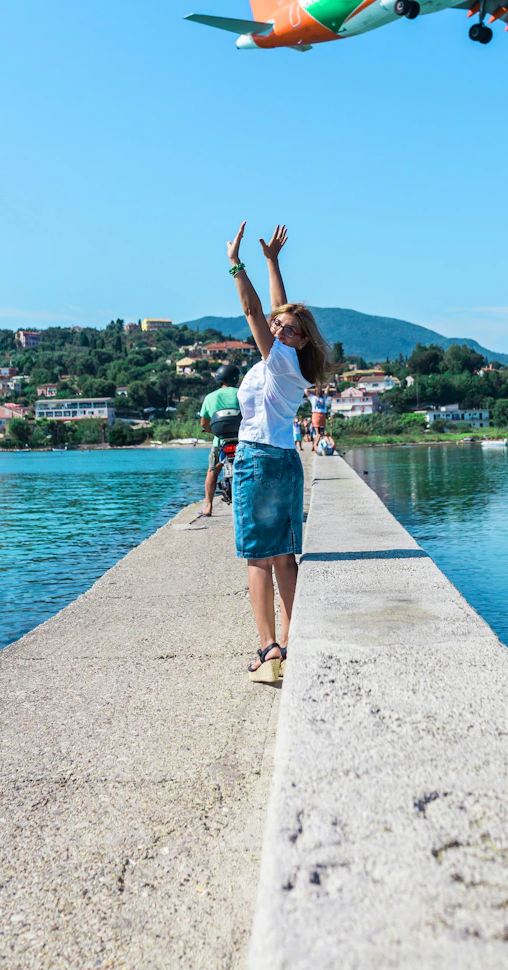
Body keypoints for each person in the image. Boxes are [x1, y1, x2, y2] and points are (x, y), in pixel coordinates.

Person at [227, 221, 329, 682]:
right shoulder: (294, 366)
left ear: (301, 340)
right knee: (285, 555)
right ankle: (291, 642)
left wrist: (238, 265)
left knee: (259, 558)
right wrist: (273, 262)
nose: (278, 329)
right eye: (278, 327)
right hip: (285, 460)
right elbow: (274, 312)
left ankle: (269, 650)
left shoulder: (280, 359)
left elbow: (254, 311)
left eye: (287, 329)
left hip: (259, 459)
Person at [199, 363, 241, 516]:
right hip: (241, 441)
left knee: (212, 471)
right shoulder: (241, 392)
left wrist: (214, 432)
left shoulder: (210, 397)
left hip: (220, 442)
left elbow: (203, 422)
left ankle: (208, 507)